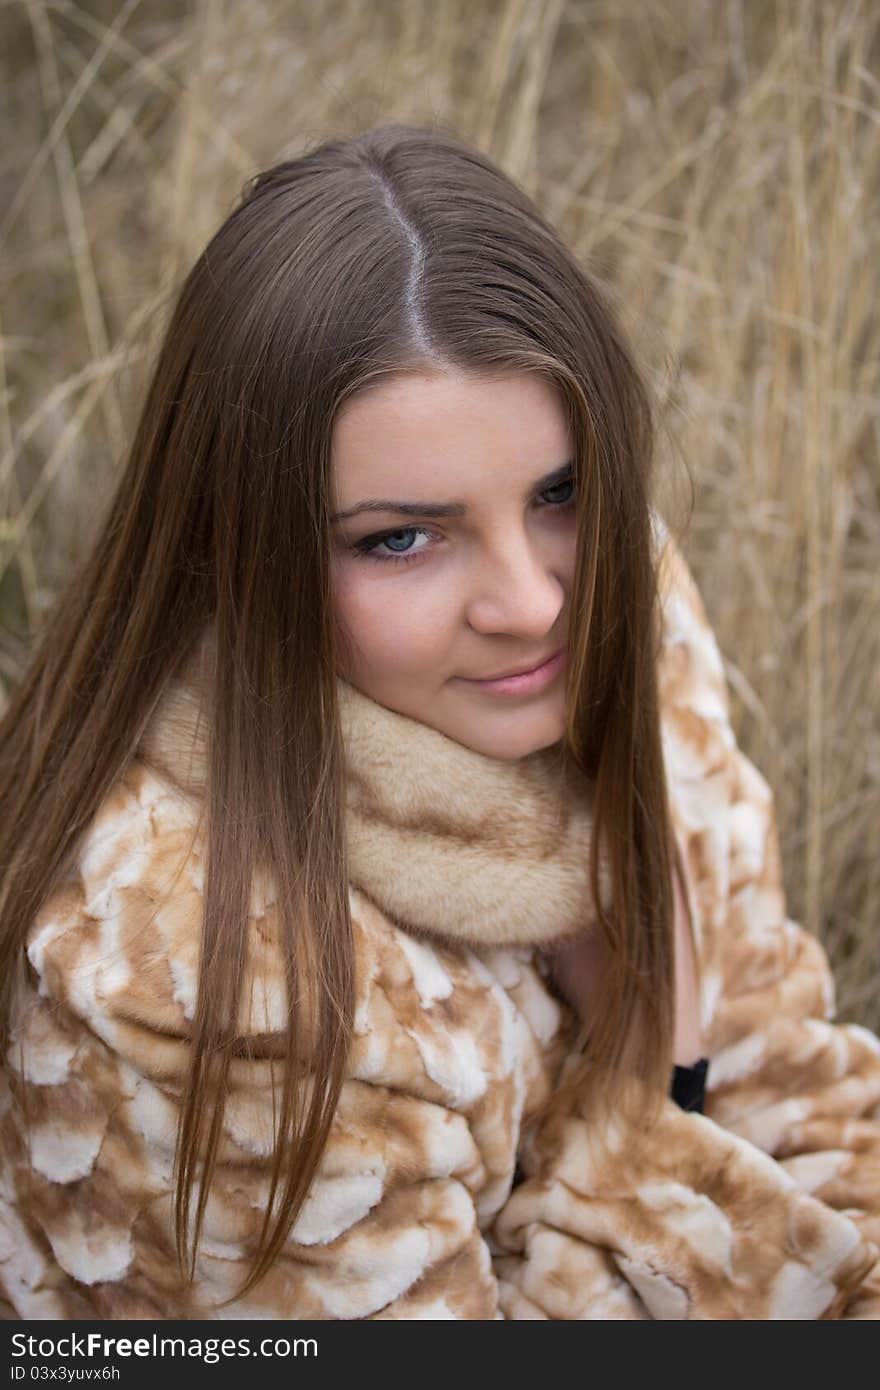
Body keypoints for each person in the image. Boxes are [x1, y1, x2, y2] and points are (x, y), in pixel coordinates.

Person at [0, 121, 878, 1321]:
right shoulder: (200, 968)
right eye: (399, 537)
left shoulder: (619, 607)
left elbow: (783, 1051)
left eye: (560, 492)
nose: (527, 603)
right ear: (243, 553)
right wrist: (657, 1069)